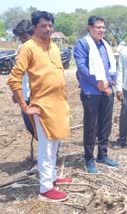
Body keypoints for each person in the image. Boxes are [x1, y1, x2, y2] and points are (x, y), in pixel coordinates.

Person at [7, 11, 72, 202]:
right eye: (43, 26)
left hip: (59, 103)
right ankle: (45, 188)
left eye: (50, 25)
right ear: (34, 27)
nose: (48, 29)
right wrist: (25, 107)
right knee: (46, 146)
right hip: (41, 106)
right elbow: (14, 79)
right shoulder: (27, 48)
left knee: (56, 142)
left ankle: (52, 177)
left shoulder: (53, 46)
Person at [74, 16, 119, 174]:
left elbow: (112, 68)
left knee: (105, 125)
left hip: (107, 91)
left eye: (103, 27)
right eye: (98, 27)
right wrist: (98, 83)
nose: (101, 30)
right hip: (91, 92)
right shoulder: (82, 44)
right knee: (91, 126)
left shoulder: (105, 45)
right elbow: (82, 68)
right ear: (90, 28)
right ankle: (89, 159)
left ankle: (102, 155)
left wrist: (109, 81)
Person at [11, 20, 35, 138]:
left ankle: (50, 153)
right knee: (30, 126)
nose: (22, 40)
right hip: (25, 95)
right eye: (20, 37)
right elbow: (18, 74)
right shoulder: (21, 48)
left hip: (38, 95)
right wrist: (16, 93)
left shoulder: (40, 47)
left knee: (42, 127)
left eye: (25, 36)